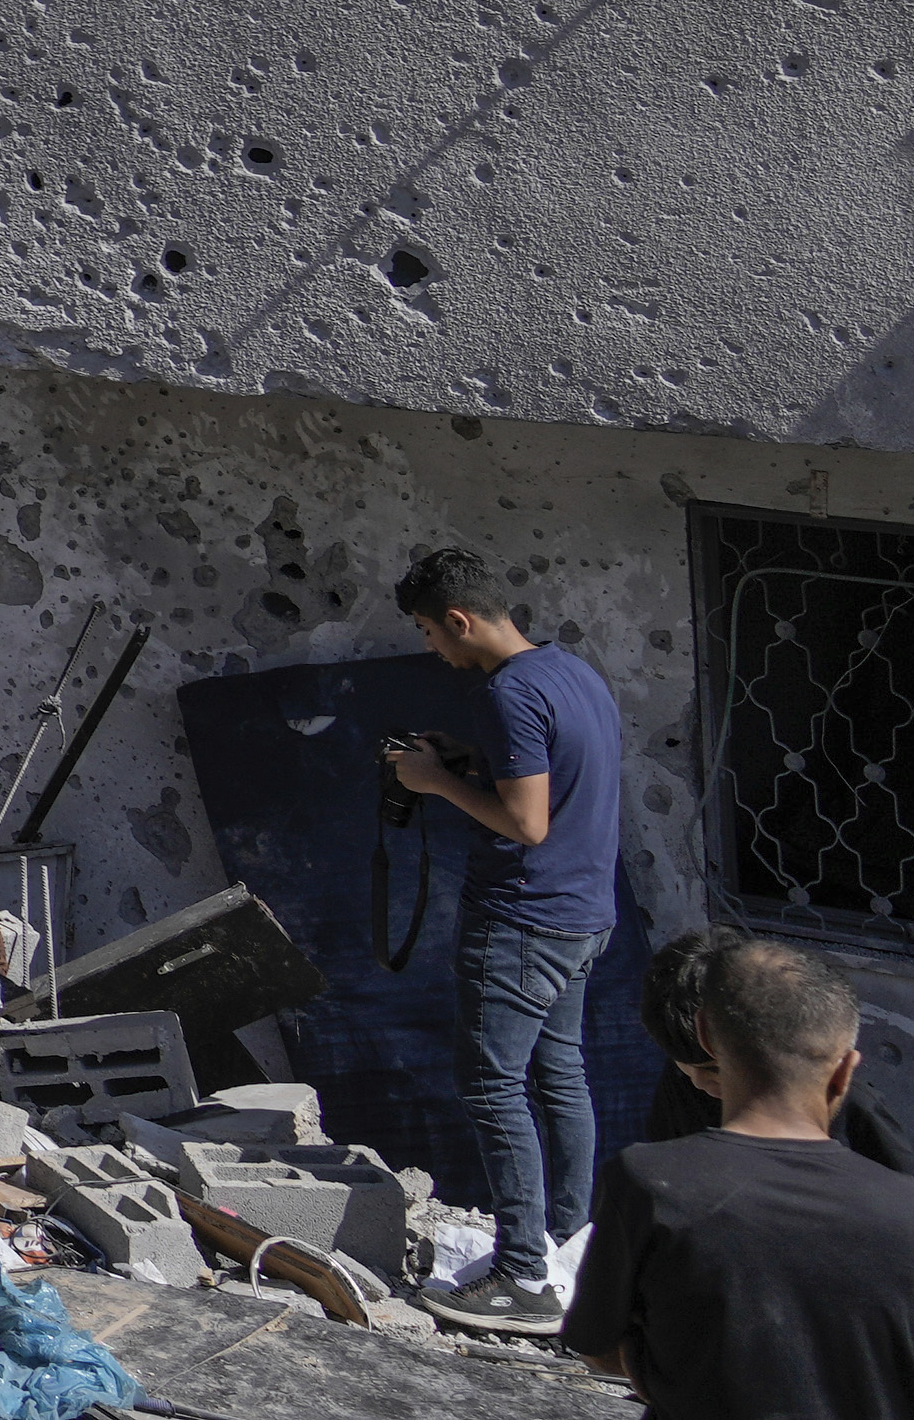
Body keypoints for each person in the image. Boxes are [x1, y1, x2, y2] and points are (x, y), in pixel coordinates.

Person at [564, 939, 914, 1420]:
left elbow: (596, 1344)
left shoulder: (646, 1183)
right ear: (846, 1067)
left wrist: (667, 1368)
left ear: (707, 1036)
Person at [391, 544, 628, 1336]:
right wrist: (471, 760)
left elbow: (528, 822)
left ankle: (522, 1273)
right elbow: (558, 778)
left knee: (494, 1085)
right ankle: (564, 1242)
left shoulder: (509, 694)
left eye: (430, 631)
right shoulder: (571, 671)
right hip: (585, 913)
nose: (434, 648)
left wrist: (437, 781)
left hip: (524, 920)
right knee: (561, 1073)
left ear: (459, 618)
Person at [634, 925, 914, 1175]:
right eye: (687, 1069)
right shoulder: (680, 1089)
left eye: (714, 1070)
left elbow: (912, 1198)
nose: (701, 1083)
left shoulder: (849, 1103)